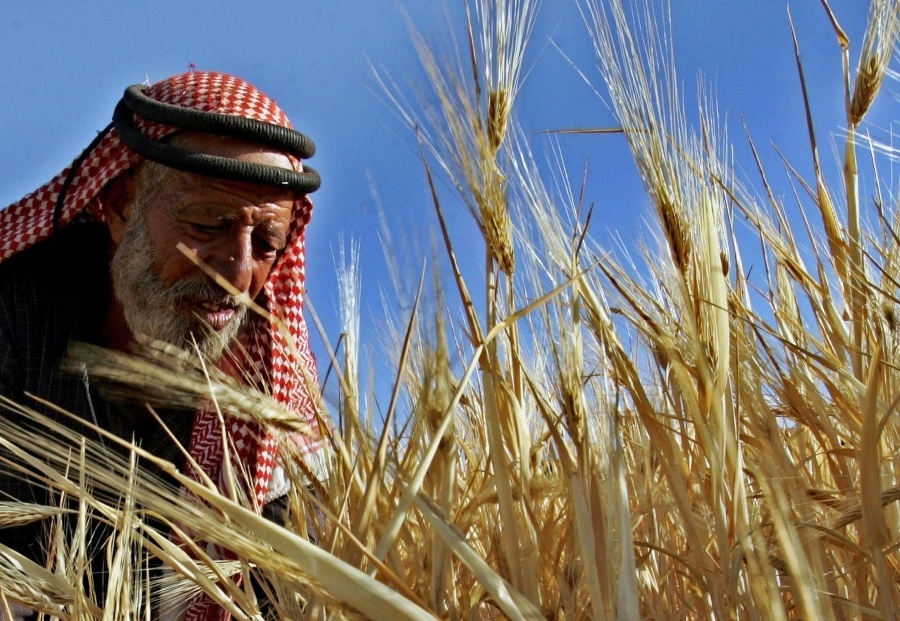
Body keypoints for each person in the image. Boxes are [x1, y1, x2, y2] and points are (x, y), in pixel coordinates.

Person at [0, 71, 325, 620]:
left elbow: (287, 597)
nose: (238, 272)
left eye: (267, 243)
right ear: (122, 204)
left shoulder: (270, 403)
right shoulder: (13, 312)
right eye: (207, 225)